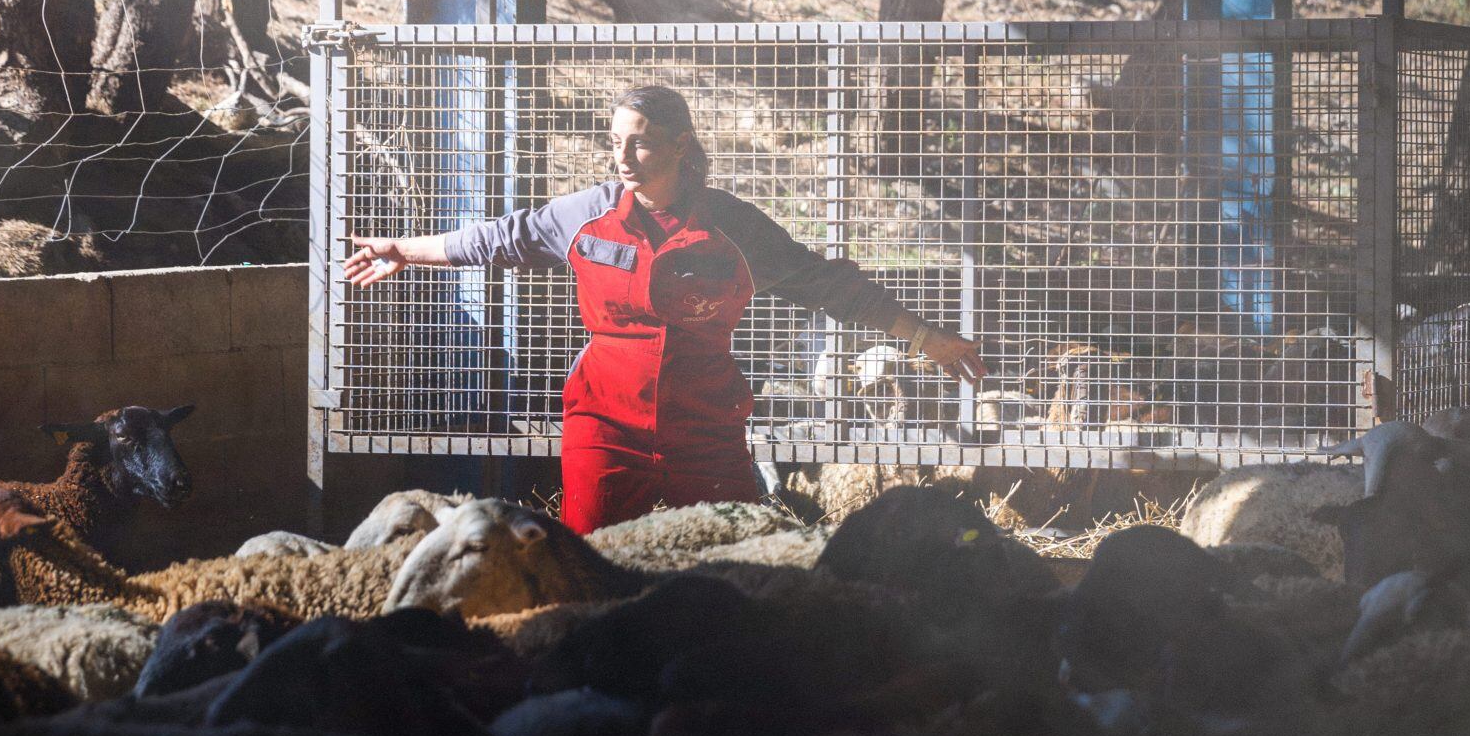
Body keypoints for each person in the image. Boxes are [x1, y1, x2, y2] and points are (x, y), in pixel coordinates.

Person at [341, 83, 987, 533]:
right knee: (590, 560)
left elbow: (828, 284)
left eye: (641, 143)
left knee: (731, 554)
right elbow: (500, 238)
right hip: (604, 423)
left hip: (705, 426)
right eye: (615, 141)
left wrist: (924, 336)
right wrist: (405, 249)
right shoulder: (585, 214)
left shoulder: (734, 227)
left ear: (681, 145)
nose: (622, 158)